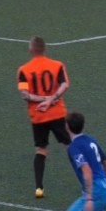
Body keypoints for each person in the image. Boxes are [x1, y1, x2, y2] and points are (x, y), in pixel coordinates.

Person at [17, 36, 71, 199]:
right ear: (44, 49)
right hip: (57, 113)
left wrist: (43, 100)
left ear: (31, 49)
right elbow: (65, 84)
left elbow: (24, 95)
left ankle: (39, 188)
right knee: (70, 145)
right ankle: (86, 179)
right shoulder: (57, 65)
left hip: (38, 116)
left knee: (41, 149)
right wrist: (51, 99)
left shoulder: (23, 70)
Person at [62, 111, 106, 211]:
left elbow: (87, 170)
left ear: (67, 126)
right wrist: (104, 179)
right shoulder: (91, 140)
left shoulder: (74, 147)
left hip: (96, 191)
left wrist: (89, 198)